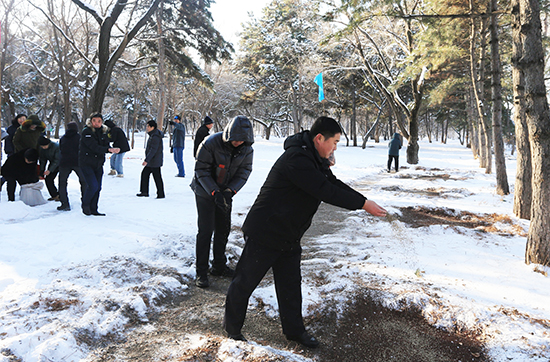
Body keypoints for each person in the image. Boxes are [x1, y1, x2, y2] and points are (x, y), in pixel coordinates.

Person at [223, 116, 387, 347]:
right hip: (266, 230)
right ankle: (232, 330)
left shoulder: (312, 158)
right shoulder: (297, 158)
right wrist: (362, 205)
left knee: (290, 286)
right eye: (335, 142)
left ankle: (295, 332)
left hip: (289, 233)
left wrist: (363, 200)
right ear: (319, 138)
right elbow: (324, 190)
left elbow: (333, 182)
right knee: (245, 282)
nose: (335, 148)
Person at [190, 115, 254, 288]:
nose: (238, 143)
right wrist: (214, 191)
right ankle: (201, 272)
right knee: (205, 231)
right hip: (204, 191)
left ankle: (219, 266)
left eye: (242, 140)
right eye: (235, 140)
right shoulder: (210, 143)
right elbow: (201, 170)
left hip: (225, 192)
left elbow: (245, 171)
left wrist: (229, 191)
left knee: (223, 229)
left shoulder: (247, 148)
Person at [79, 113, 120, 216]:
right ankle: (85, 205)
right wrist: (108, 149)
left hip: (98, 164)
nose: (96, 123)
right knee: (92, 186)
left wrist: (112, 149)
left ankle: (94, 208)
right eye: (94, 121)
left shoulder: (104, 132)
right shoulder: (86, 132)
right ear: (90, 121)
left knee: (98, 187)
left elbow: (105, 144)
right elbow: (94, 147)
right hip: (86, 163)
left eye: (99, 121)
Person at [57, 122, 87, 211]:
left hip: (64, 163)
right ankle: (85, 201)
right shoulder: (80, 138)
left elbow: (61, 149)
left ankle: (64, 203)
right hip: (78, 162)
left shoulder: (63, 138)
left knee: (62, 183)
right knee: (84, 182)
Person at [137, 120, 165, 199]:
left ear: (152, 127)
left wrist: (147, 160)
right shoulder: (153, 135)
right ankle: (144, 191)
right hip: (152, 161)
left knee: (157, 177)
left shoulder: (155, 136)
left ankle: (160, 194)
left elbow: (153, 149)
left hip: (154, 160)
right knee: (145, 174)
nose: (147, 128)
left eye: (148, 126)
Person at [38, 136, 60, 201]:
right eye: (42, 146)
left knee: (62, 181)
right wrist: (42, 171)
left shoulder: (56, 147)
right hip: (52, 162)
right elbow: (42, 160)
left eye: (45, 146)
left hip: (61, 163)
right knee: (48, 179)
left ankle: (61, 195)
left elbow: (57, 160)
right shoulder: (42, 149)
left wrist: (50, 170)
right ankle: (54, 195)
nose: (43, 148)